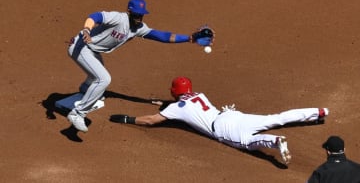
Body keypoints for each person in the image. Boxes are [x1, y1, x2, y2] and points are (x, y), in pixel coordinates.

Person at [113, 76, 329, 165]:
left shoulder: (176, 108)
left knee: (248, 143)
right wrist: (165, 103)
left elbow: (151, 120)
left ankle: (274, 142)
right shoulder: (199, 95)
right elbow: (180, 103)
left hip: (223, 128)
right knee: (276, 118)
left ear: (174, 93)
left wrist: (128, 119)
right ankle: (319, 112)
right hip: (232, 115)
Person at [67, 0, 207, 132]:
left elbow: (163, 36)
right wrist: (86, 29)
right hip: (81, 46)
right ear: (129, 11)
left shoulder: (139, 28)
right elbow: (95, 16)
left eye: (141, 15)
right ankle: (78, 113)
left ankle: (86, 90)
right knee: (103, 79)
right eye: (136, 15)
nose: (139, 18)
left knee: (96, 76)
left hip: (93, 51)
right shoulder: (118, 18)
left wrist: (189, 38)